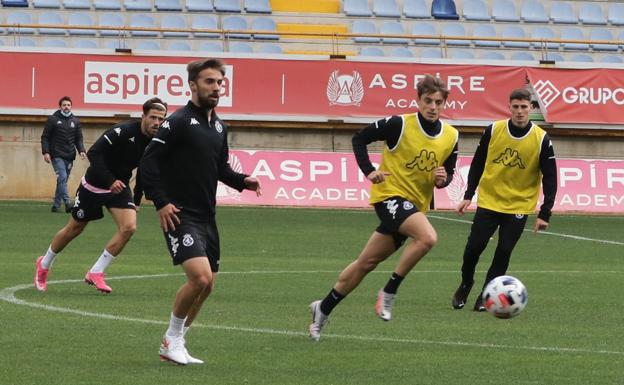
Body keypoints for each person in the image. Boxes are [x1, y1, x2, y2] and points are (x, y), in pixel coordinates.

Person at [308, 75, 459, 341]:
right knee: (428, 238)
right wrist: (370, 171)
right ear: (418, 100)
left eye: (438, 102)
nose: (433, 106)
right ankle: (389, 291)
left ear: (445, 103)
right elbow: (359, 139)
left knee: (366, 263)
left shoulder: (451, 136)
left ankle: (323, 308)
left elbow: (446, 174)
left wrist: (442, 179)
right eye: (428, 101)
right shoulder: (398, 124)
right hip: (389, 196)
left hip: (414, 206)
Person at [140, 58, 262, 365]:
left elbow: (219, 167)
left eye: (220, 82)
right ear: (193, 85)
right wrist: (161, 202)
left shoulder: (219, 125)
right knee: (200, 278)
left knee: (208, 286)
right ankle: (170, 338)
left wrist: (241, 180)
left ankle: (176, 342)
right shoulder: (178, 121)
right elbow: (149, 162)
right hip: (179, 213)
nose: (217, 88)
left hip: (207, 216)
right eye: (209, 82)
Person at [34, 98, 168, 294]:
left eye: (161, 119)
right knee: (74, 229)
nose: (157, 123)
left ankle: (96, 272)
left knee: (129, 227)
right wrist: (109, 180)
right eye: (153, 118)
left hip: (119, 188)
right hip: (95, 184)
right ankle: (44, 264)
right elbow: (94, 153)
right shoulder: (123, 131)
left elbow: (145, 170)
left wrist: (137, 200)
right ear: (143, 117)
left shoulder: (157, 141)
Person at [451, 88, 557, 312]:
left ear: (531, 108)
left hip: (519, 205)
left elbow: (550, 177)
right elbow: (478, 163)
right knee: (473, 249)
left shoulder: (541, 139)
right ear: (509, 107)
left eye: (524, 107)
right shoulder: (493, 130)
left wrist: (544, 212)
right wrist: (468, 195)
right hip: (490, 201)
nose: (519, 111)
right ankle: (465, 283)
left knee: (504, 251)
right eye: (515, 107)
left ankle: (485, 295)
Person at [41, 96, 87, 213]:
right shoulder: (53, 119)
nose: (66, 107)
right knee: (62, 177)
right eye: (64, 105)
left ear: (71, 106)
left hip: (69, 155)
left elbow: (78, 139)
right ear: (60, 107)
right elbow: (45, 137)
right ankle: (67, 202)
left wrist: (81, 150)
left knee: (62, 180)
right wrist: (46, 152)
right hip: (56, 154)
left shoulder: (75, 121)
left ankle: (56, 206)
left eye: (68, 105)